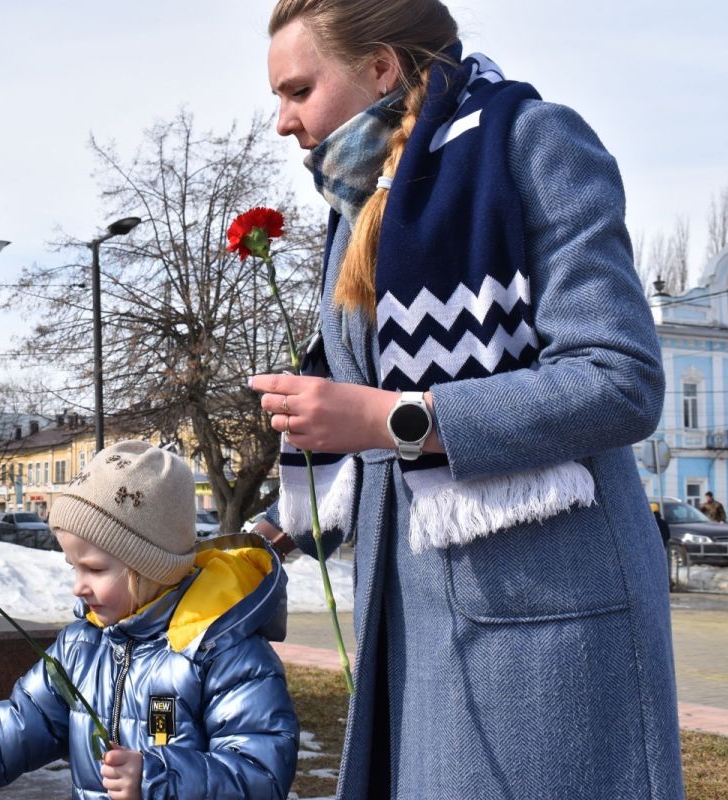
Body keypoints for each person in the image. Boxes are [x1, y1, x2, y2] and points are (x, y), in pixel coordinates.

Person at [248, 1, 684, 797]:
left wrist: (388, 417)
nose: (282, 120)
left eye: (298, 90)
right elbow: (366, 456)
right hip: (412, 635)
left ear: (381, 68)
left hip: (543, 642)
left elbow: (620, 380)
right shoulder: (359, 212)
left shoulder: (533, 142)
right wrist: (258, 541)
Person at [0, 441, 298, 800]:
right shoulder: (83, 647)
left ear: (153, 566)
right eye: (72, 568)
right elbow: (10, 731)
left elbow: (260, 773)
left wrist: (157, 780)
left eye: (95, 570)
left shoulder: (222, 651)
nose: (78, 586)